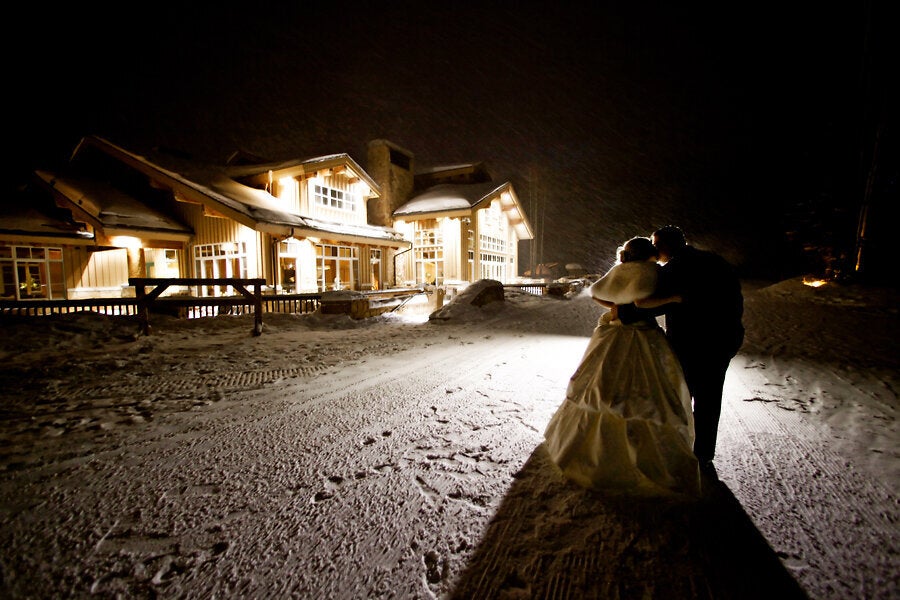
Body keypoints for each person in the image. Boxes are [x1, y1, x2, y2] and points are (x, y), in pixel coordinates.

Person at [543, 237, 701, 496]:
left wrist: (615, 305)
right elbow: (641, 303)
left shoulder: (619, 270)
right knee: (646, 391)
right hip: (641, 334)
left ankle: (593, 452)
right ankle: (642, 459)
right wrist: (673, 298)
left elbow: (595, 292)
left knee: (602, 383)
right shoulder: (650, 271)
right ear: (648, 255)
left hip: (616, 332)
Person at [638, 226, 744, 470]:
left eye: (656, 245)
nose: (654, 250)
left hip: (691, 343)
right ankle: (704, 453)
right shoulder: (714, 260)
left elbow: (653, 306)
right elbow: (735, 298)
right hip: (722, 339)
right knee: (710, 398)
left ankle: (682, 448)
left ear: (665, 245)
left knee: (681, 397)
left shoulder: (675, 268)